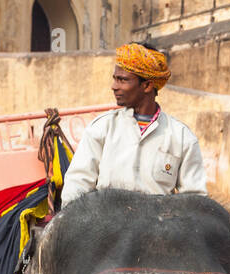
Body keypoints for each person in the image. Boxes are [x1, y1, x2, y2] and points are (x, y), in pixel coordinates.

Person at [61, 42, 207, 205]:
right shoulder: (102, 128)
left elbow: (196, 200)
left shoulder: (182, 137)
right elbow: (77, 186)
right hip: (105, 225)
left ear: (147, 85)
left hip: (157, 228)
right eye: (115, 79)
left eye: (122, 80)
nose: (114, 87)